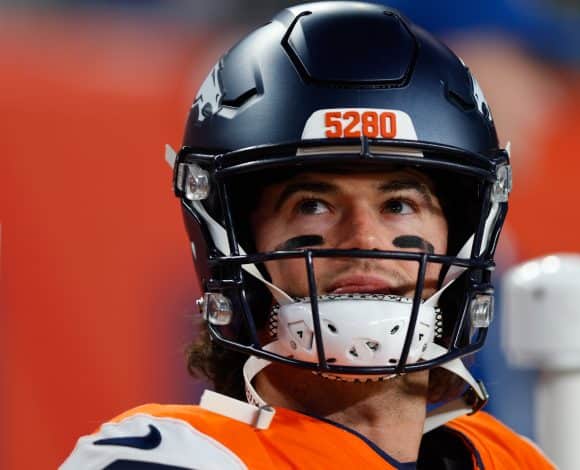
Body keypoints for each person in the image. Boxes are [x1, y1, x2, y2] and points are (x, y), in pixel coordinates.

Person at [62, 2, 554, 468]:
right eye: (313, 206)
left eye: (399, 205)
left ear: (463, 236)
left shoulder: (509, 459)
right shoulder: (174, 458)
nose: (364, 238)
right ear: (240, 243)